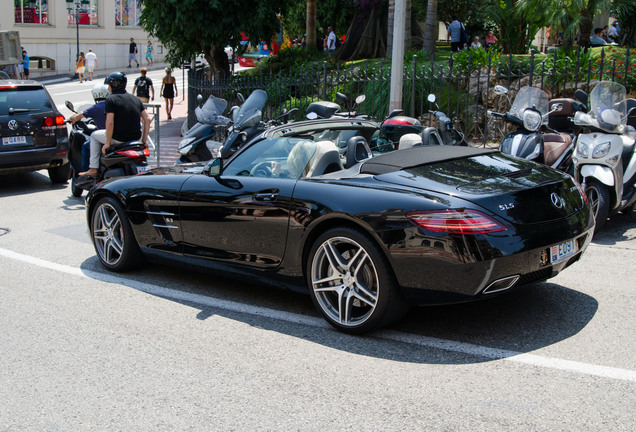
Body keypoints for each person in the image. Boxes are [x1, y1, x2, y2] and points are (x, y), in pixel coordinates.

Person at [79, 72, 150, 177]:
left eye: (109, 85)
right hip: (135, 139)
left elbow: (110, 122)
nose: (108, 88)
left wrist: (107, 143)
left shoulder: (110, 99)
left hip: (118, 138)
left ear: (114, 85)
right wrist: (144, 141)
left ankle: (93, 168)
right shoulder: (135, 99)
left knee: (94, 136)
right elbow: (147, 119)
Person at [69, 84, 109, 171]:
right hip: (119, 135)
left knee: (85, 147)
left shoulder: (95, 108)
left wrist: (71, 119)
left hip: (106, 137)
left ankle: (88, 171)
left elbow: (77, 116)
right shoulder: (112, 105)